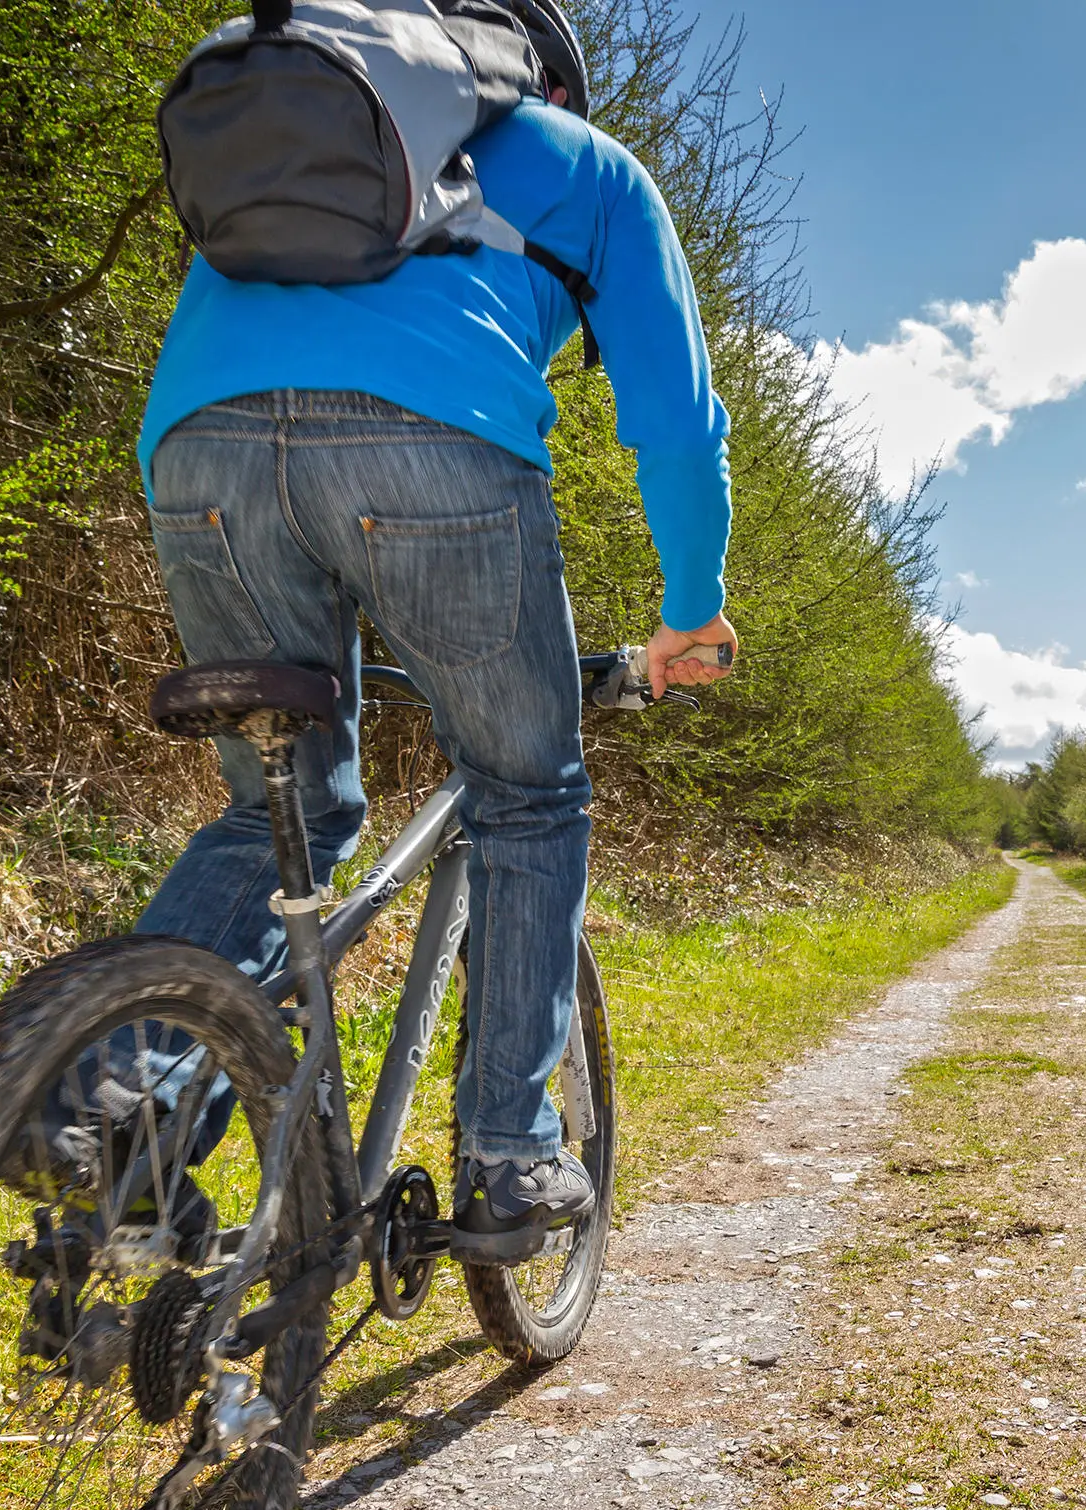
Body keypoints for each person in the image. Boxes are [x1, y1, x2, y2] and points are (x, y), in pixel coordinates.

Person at [128, 0, 732, 1232]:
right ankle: (510, 1147)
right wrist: (689, 611)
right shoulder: (588, 166)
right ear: (547, 81)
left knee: (279, 808)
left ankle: (112, 1096)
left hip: (197, 462)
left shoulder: (300, 141)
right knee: (526, 790)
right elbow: (676, 429)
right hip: (436, 462)